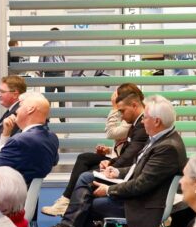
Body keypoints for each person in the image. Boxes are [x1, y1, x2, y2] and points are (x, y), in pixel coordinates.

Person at [37, 96, 188, 227]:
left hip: (146, 206)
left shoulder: (167, 147)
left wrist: (109, 190)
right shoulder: (162, 138)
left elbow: (141, 184)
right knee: (87, 178)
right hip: (140, 197)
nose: (142, 121)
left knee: (89, 206)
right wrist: (116, 171)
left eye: (146, 117)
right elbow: (139, 170)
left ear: (157, 121)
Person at [43, 84, 146, 217]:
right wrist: (109, 152)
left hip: (126, 169)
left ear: (133, 104)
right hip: (120, 160)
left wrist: (115, 109)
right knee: (85, 159)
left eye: (122, 109)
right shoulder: (134, 120)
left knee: (86, 176)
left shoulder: (138, 121)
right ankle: (68, 206)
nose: (121, 113)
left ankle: (69, 213)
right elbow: (128, 148)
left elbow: (112, 133)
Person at [0, 93, 61, 186]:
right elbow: (54, 161)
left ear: (30, 109)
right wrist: (6, 133)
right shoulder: (52, 137)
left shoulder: (20, 140)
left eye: (20, 106)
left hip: (10, 195)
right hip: (26, 195)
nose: (17, 111)